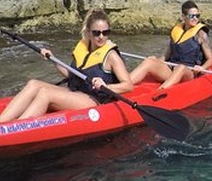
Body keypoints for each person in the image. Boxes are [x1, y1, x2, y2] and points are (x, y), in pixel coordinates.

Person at [0, 9, 133, 122]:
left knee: (45, 93)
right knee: (34, 84)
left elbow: (128, 85)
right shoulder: (85, 49)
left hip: (94, 99)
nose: (101, 37)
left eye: (105, 33)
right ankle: (2, 122)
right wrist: (53, 59)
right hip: (76, 92)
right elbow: (72, 75)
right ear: (88, 33)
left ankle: (17, 127)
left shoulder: (111, 56)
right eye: (96, 33)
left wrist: (106, 86)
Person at [130, 0, 212, 90]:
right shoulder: (176, 31)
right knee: (149, 61)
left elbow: (210, 59)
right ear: (183, 16)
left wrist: (202, 68)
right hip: (172, 69)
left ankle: (160, 92)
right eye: (191, 16)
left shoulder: (201, 34)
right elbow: (167, 56)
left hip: (189, 72)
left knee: (180, 68)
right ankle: (125, 84)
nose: (195, 19)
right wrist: (155, 61)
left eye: (197, 16)